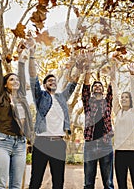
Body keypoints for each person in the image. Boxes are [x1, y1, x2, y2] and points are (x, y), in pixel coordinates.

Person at [27, 35, 79, 189]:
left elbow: (74, 82)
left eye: (54, 80)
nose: (53, 82)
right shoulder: (40, 96)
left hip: (58, 143)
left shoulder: (62, 97)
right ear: (44, 85)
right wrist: (31, 54)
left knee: (58, 181)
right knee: (36, 180)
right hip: (42, 142)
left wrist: (80, 63)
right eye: (49, 81)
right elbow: (33, 77)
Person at [0, 36, 33, 189]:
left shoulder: (21, 98)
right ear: (5, 84)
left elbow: (22, 74)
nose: (15, 81)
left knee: (16, 186)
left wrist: (22, 56)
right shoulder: (0, 98)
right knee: (1, 184)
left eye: (17, 80)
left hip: (20, 143)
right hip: (3, 141)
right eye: (11, 80)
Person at [82, 68, 115, 189]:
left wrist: (113, 69)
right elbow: (85, 88)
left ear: (103, 90)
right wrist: (88, 67)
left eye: (100, 86)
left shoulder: (107, 102)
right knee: (88, 182)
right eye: (95, 86)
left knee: (108, 183)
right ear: (92, 90)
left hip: (105, 144)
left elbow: (112, 89)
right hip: (90, 143)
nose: (97, 87)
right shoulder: (88, 103)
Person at [112, 63, 134, 189]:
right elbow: (114, 95)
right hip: (120, 153)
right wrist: (113, 77)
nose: (124, 99)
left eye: (127, 97)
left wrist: (132, 75)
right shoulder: (118, 112)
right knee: (121, 185)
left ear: (131, 100)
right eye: (122, 97)